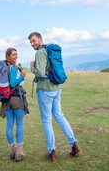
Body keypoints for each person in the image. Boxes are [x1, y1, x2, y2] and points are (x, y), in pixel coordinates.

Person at [28, 32, 81, 163]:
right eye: (30, 42)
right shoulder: (49, 50)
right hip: (56, 88)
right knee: (59, 115)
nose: (32, 44)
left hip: (45, 90)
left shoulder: (40, 53)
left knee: (46, 120)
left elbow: (40, 72)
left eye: (34, 41)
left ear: (40, 39)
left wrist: (32, 68)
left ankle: (52, 153)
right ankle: (74, 146)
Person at [0, 48, 29, 161]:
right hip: (16, 98)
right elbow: (13, 83)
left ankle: (12, 152)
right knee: (20, 124)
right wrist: (22, 76)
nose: (15, 56)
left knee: (9, 124)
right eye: (13, 55)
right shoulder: (13, 67)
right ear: (8, 56)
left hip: (6, 99)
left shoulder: (5, 67)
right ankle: (19, 153)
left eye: (16, 54)